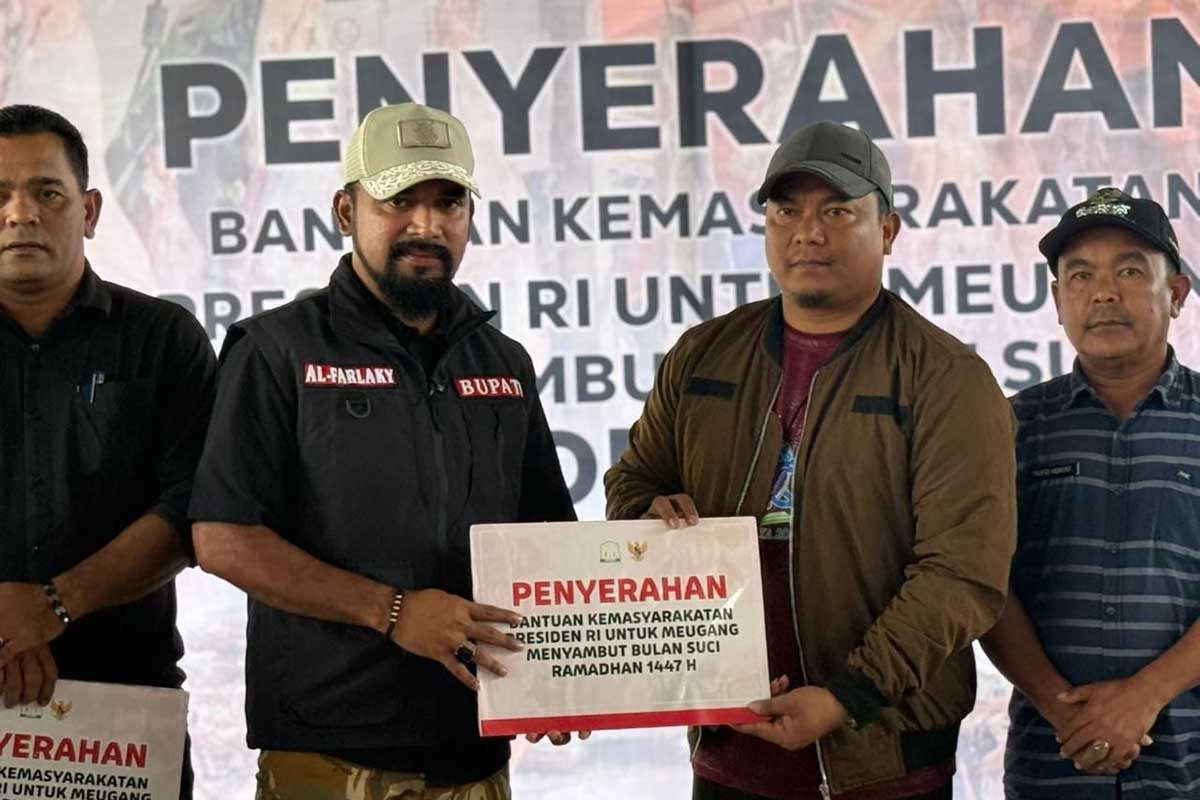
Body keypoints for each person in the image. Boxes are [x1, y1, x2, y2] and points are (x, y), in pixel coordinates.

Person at [605, 120, 1017, 799]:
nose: (808, 233)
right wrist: (646, 513)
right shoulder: (704, 355)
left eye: (837, 211)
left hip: (884, 763)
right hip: (728, 752)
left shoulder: (945, 377)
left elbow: (962, 573)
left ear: (888, 229)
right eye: (786, 211)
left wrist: (846, 696)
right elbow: (634, 480)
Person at [188, 102, 577, 800]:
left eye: (448, 202)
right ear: (346, 211)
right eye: (399, 200)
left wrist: (563, 675)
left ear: (471, 214)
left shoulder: (503, 360)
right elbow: (223, 539)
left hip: (476, 755)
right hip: (330, 754)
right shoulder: (276, 350)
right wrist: (391, 611)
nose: (426, 225)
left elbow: (546, 535)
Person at [0, 104, 215, 799]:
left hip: (123, 713)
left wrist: (54, 605)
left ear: (89, 211)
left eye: (47, 192)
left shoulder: (164, 339)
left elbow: (194, 507)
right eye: (0, 195)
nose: (20, 214)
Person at [980, 188, 1199, 800]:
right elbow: (982, 582)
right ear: (1057, 300)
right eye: (1081, 275)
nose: (1103, 293)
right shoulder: (1009, 427)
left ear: (1177, 293)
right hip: (1051, 764)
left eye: (1129, 271)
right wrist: (1063, 709)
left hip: (1189, 765)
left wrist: (1146, 696)